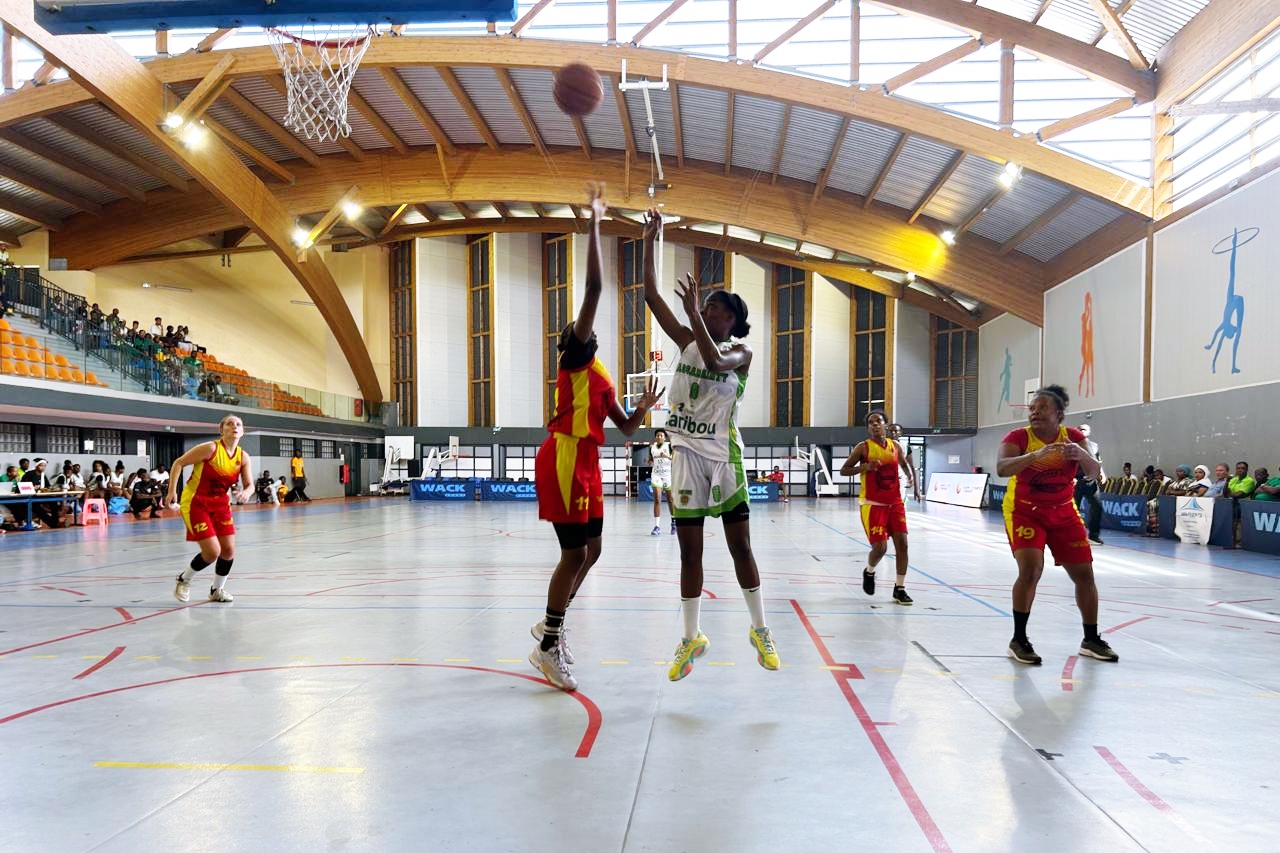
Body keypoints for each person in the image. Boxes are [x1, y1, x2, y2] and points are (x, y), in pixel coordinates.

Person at [529, 184, 662, 692]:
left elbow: (625, 427)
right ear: (570, 343)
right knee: (574, 554)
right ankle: (549, 642)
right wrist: (595, 223)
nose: (581, 328)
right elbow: (592, 292)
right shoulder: (574, 359)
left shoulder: (601, 374)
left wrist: (644, 410)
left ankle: (550, 622)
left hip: (588, 460)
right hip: (563, 455)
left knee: (595, 550)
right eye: (576, 329)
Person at [641, 208, 780, 682]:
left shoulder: (742, 354)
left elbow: (719, 365)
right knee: (690, 555)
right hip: (685, 459)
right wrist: (650, 238)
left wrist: (693, 315)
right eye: (708, 305)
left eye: (717, 306)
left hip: (724, 459)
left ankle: (760, 629)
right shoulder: (685, 341)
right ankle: (690, 637)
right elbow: (650, 295)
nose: (709, 309)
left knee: (740, 547)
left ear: (733, 319)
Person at [996, 384, 1118, 665]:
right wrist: (1034, 456)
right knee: (1031, 569)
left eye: (1042, 408)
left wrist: (1082, 455)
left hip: (1063, 511)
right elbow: (1002, 468)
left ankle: (1091, 639)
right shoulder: (1018, 437)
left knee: (1085, 575)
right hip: (1024, 512)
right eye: (1032, 409)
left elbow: (1094, 473)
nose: (1035, 413)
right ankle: (1019, 640)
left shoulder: (1072, 438)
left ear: (1059, 414)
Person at [167, 415, 254, 604]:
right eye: (229, 424)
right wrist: (172, 491)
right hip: (196, 502)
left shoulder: (243, 456)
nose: (234, 427)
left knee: (228, 550)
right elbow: (178, 463)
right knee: (212, 552)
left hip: (221, 504)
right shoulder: (210, 449)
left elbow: (250, 485)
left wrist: (247, 492)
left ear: (243, 431)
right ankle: (184, 579)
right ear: (221, 430)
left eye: (238, 424)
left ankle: (217, 590)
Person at [841, 411, 917, 605]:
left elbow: (903, 463)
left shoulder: (896, 447)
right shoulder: (863, 448)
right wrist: (864, 468)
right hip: (873, 505)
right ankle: (869, 571)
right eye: (871, 423)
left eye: (879, 421)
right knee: (881, 547)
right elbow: (844, 470)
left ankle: (900, 588)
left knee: (903, 545)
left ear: (885, 425)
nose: (875, 425)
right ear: (868, 428)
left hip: (896, 503)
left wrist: (910, 476)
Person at [1073, 423, 1104, 545]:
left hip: (1091, 481)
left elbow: (1098, 461)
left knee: (1097, 507)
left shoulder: (1094, 446)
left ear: (1089, 432)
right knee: (1073, 509)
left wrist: (1102, 473)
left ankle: (1094, 536)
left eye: (1084, 429)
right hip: (1076, 481)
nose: (1081, 431)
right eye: (1079, 429)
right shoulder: (1071, 446)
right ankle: (1074, 536)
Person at [648, 428, 674, 534]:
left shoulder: (669, 446)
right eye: (657, 435)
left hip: (667, 475)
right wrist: (649, 461)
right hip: (656, 475)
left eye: (661, 435)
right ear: (655, 437)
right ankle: (657, 527)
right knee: (657, 499)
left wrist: (666, 456)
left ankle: (674, 522)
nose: (659, 437)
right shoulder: (652, 447)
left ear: (665, 437)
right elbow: (651, 459)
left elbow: (675, 458)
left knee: (670, 500)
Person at [888, 423, 921, 503]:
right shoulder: (881, 445)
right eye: (890, 431)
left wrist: (916, 489)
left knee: (898, 505)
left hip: (900, 480)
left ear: (900, 433)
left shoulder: (905, 446)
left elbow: (912, 467)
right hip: (885, 480)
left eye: (895, 431)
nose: (893, 433)